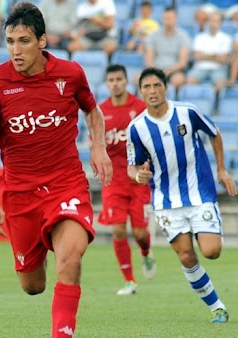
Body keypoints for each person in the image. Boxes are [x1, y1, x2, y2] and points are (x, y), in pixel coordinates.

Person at [0, 3, 112, 337]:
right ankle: (40, 247)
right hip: (21, 195)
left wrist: (98, 145)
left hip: (66, 185)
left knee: (71, 261)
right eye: (10, 41)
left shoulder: (71, 74)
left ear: (42, 41)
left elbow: (93, 111)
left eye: (23, 41)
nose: (15, 50)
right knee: (33, 286)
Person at [127, 67, 237, 324]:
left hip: (199, 194)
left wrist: (221, 169)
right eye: (147, 87)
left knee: (211, 251)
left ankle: (207, 229)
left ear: (166, 87)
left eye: (157, 86)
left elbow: (214, 132)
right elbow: (133, 165)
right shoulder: (137, 128)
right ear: (141, 91)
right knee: (187, 256)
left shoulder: (187, 112)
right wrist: (137, 176)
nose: (152, 91)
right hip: (166, 202)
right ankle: (217, 307)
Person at [97, 64, 155, 296]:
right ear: (107, 83)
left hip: (138, 179)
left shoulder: (140, 108)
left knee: (140, 233)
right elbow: (98, 145)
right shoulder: (100, 112)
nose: (115, 83)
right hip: (114, 181)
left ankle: (145, 252)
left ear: (126, 81)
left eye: (119, 79)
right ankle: (130, 280)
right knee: (119, 231)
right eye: (111, 80)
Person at [144, 7, 190, 91]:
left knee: (178, 80)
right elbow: (149, 58)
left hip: (174, 71)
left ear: (176, 19)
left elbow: (183, 62)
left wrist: (168, 71)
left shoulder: (183, 36)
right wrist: (157, 72)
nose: (168, 21)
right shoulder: (154, 35)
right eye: (165, 18)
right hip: (156, 69)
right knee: (140, 78)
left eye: (170, 18)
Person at [187, 12, 232, 92]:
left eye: (216, 21)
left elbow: (223, 59)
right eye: (211, 21)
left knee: (221, 85)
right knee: (189, 81)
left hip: (218, 68)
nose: (213, 24)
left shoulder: (226, 38)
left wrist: (204, 56)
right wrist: (215, 56)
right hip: (200, 67)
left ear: (220, 23)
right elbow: (196, 56)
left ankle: (215, 104)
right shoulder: (199, 37)